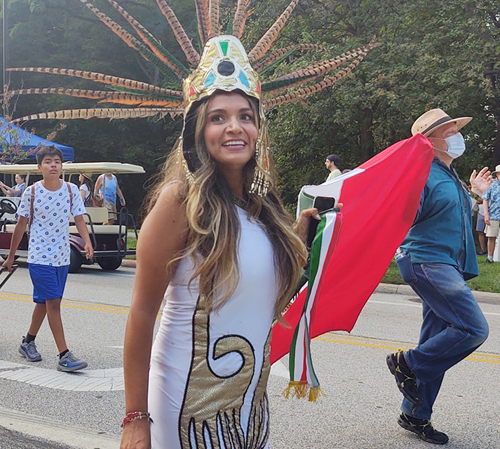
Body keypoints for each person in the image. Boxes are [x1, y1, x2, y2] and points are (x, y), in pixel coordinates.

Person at [120, 36, 319, 449]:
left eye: (245, 116)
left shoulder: (265, 210)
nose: (234, 127)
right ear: (198, 129)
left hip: (247, 405)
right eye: (218, 117)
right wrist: (135, 420)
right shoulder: (179, 202)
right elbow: (141, 315)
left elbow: (265, 302)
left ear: (258, 129)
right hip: (183, 405)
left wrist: (302, 235)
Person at [387, 108, 491, 444]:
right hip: (427, 261)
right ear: (428, 141)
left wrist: (475, 192)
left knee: (437, 342)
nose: (456, 135)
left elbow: (453, 216)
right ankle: (408, 364)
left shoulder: (449, 177)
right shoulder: (421, 174)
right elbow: (404, 213)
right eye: (448, 130)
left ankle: (415, 415)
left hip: (445, 263)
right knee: (473, 329)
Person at [2, 146, 94, 372]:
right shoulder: (31, 192)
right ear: (39, 166)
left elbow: (80, 220)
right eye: (48, 162)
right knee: (53, 303)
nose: (53, 165)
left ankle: (28, 342)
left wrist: (87, 241)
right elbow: (20, 226)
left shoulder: (72, 190)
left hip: (62, 258)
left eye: (57, 162)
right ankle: (64, 355)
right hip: (39, 257)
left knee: (45, 303)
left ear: (62, 166)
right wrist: (11, 257)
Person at [482, 164, 500, 263]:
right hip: (493, 215)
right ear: (497, 174)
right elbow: (485, 199)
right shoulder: (492, 186)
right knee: (491, 236)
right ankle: (489, 258)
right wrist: (486, 214)